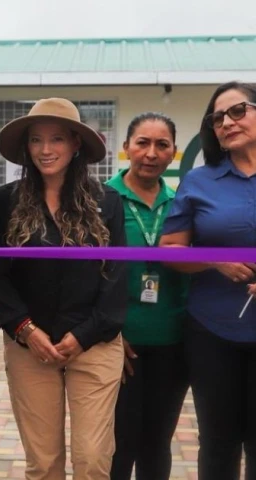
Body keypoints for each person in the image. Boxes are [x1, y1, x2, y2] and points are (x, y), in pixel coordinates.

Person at [0, 97, 127, 480]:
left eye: (57, 139)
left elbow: (116, 275)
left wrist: (84, 335)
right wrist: (24, 328)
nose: (45, 150)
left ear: (76, 143)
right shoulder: (8, 200)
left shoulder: (107, 200)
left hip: (94, 342)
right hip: (31, 344)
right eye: (36, 140)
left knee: (93, 459)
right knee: (44, 463)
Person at [160, 81, 256, 480]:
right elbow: (169, 250)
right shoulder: (199, 182)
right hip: (212, 330)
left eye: (237, 111)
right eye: (217, 118)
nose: (226, 123)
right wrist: (215, 260)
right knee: (218, 441)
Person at [106, 113, 189, 480]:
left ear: (173, 153)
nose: (151, 153)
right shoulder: (102, 199)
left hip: (172, 342)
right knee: (119, 444)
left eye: (162, 145)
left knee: (158, 443)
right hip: (119, 345)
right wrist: (109, 334)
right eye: (142, 143)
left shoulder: (183, 203)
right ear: (126, 148)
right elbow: (86, 279)